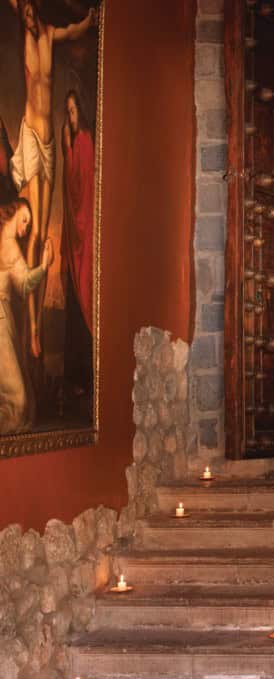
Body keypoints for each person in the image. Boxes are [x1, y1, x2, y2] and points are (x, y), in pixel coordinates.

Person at [7, 0, 96, 365]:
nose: (28, 19)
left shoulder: (49, 35)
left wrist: (93, 17)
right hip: (30, 136)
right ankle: (33, 329)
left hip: (46, 146)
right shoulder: (28, 33)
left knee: (43, 234)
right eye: (23, 14)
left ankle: (37, 326)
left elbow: (76, 30)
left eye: (31, 13)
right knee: (31, 236)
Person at [0, 199, 53, 434]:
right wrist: (43, 266)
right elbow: (24, 284)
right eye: (25, 219)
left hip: (4, 318)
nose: (27, 226)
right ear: (13, 212)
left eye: (29, 223)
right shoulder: (9, 243)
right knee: (18, 400)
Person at [60, 90, 95, 408]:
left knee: (84, 302)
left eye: (72, 111)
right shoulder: (75, 142)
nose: (69, 118)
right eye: (67, 112)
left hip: (84, 237)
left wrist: (68, 152)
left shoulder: (83, 141)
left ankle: (84, 379)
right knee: (73, 304)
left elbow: (80, 189)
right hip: (75, 240)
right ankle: (76, 380)